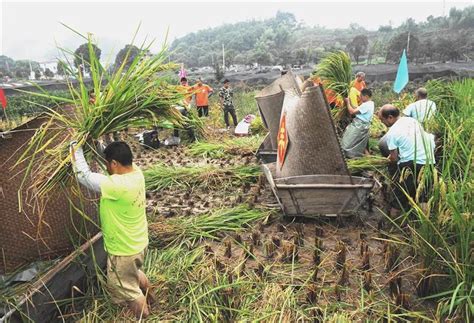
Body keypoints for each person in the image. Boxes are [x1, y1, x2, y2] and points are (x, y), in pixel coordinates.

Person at [70, 141, 152, 318]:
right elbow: (110, 153)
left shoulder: (116, 185)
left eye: (108, 163)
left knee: (126, 290)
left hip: (124, 250)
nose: (106, 166)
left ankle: (144, 316)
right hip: (138, 243)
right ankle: (150, 297)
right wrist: (94, 141)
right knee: (133, 275)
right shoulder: (136, 173)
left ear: (114, 163)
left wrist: (75, 147)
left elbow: (83, 175)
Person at [378, 104, 435, 217]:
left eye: (382, 120)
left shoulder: (392, 133)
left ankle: (393, 225)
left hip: (410, 166)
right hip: (429, 162)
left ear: (390, 117)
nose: (382, 122)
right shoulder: (413, 121)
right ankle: (423, 225)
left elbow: (394, 158)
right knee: (423, 197)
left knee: (399, 198)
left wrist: (387, 161)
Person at [340, 88, 375, 158]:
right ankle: (366, 157)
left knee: (347, 142)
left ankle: (350, 155)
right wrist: (350, 102)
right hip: (364, 126)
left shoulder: (366, 105)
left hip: (359, 126)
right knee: (360, 143)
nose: (360, 98)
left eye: (361, 96)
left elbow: (352, 112)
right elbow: (356, 109)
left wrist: (347, 102)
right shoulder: (371, 103)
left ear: (366, 96)